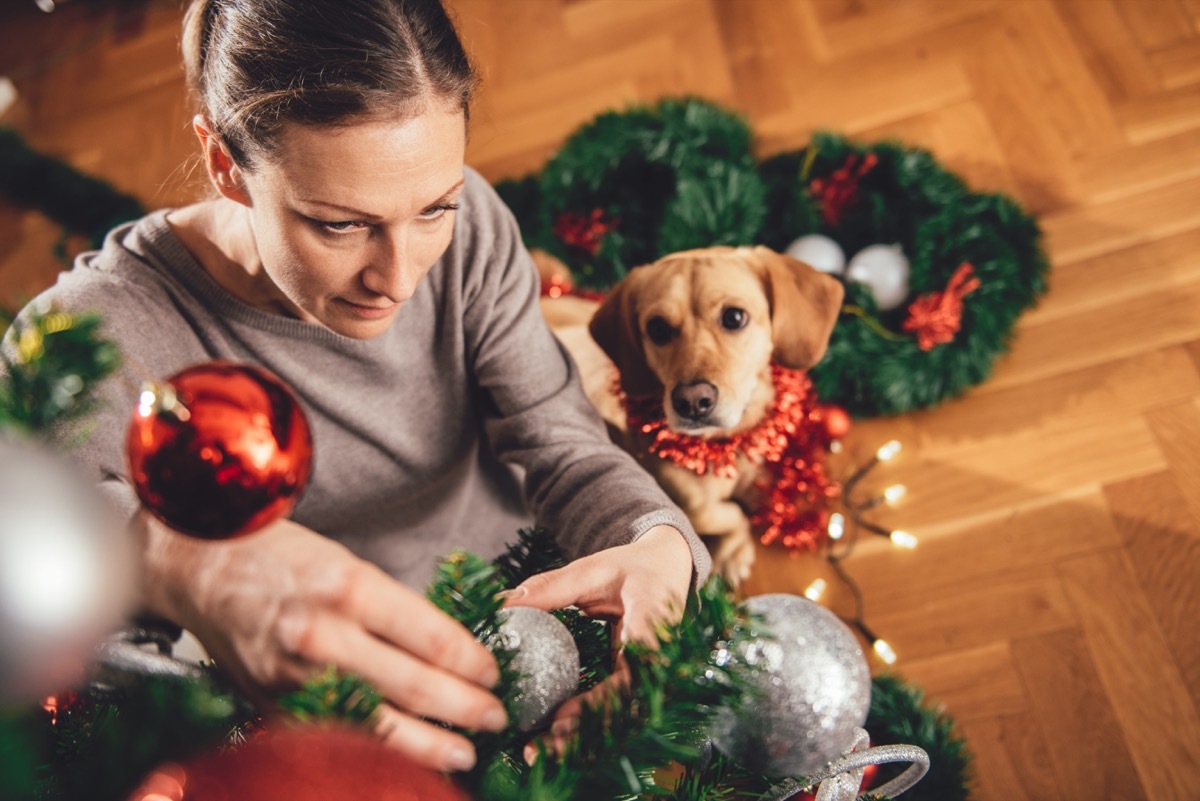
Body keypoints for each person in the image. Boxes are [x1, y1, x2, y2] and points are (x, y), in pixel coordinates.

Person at [2, 0, 709, 774]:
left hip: (528, 594)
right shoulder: (86, 341)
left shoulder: (470, 227)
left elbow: (558, 435)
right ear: (225, 164)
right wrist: (171, 557)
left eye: (432, 208)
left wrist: (658, 542)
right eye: (340, 225)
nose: (400, 278)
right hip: (321, 709)